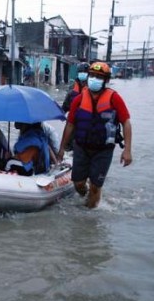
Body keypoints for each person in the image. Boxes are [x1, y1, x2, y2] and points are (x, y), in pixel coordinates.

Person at [57, 61, 133, 209]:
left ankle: (89, 219)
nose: (94, 79)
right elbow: (70, 124)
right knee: (78, 184)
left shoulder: (114, 98)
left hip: (103, 150)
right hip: (81, 147)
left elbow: (126, 122)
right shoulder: (78, 99)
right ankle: (87, 197)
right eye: (92, 75)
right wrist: (61, 149)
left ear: (106, 80)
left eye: (99, 77)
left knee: (95, 187)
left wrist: (127, 150)